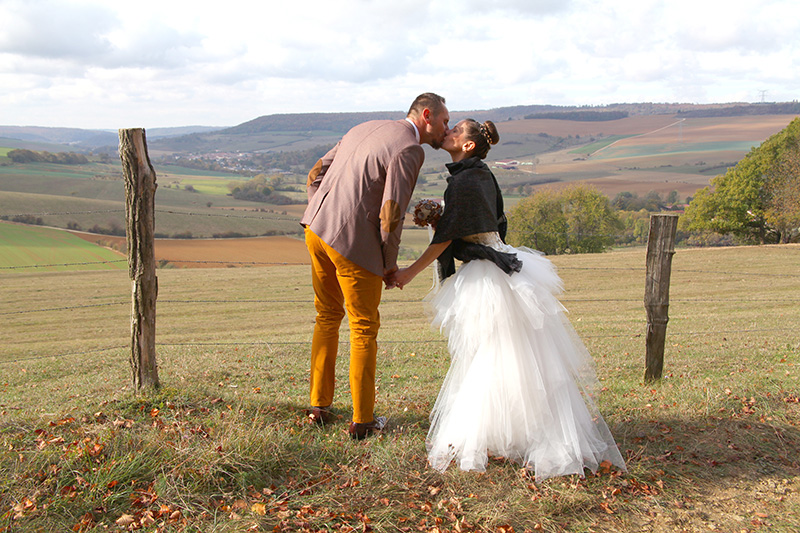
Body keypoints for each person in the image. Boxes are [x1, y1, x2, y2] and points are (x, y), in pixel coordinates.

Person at [390, 119, 627, 481]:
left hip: (488, 271)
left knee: (497, 354)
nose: (449, 132)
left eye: (456, 131)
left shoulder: (467, 180)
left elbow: (446, 238)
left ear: (468, 146)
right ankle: (507, 430)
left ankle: (502, 434)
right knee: (507, 355)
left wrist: (409, 271)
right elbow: (487, 222)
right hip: (500, 263)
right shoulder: (478, 174)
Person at [300, 93, 450, 440]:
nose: (446, 129)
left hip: (316, 231)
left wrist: (321, 209)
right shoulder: (410, 149)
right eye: (444, 121)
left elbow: (315, 173)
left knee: (327, 316)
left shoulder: (364, 126)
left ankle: (318, 406)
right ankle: (363, 421)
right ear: (427, 115)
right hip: (353, 245)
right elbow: (391, 213)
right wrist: (388, 262)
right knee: (364, 327)